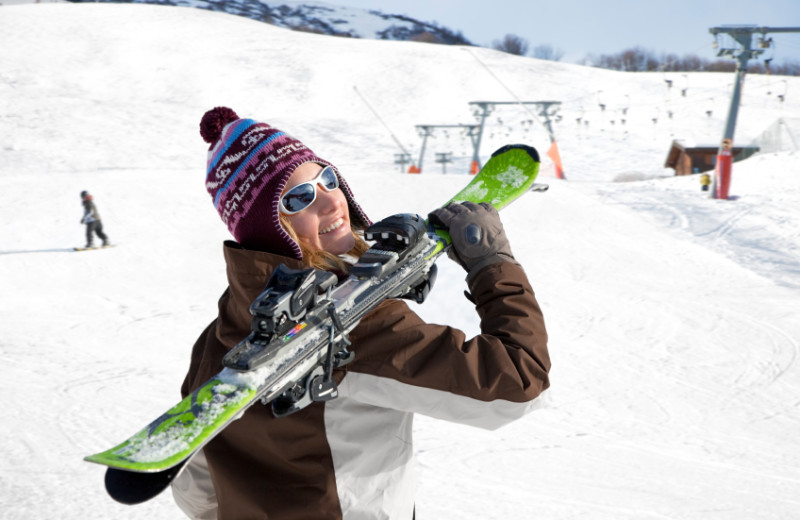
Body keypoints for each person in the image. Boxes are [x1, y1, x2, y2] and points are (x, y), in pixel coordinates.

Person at [171, 106, 551, 520]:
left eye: (327, 179)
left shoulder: (222, 332)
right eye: (299, 198)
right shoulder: (359, 329)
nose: (332, 201)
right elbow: (519, 385)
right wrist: (493, 265)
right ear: (267, 226)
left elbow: (196, 488)